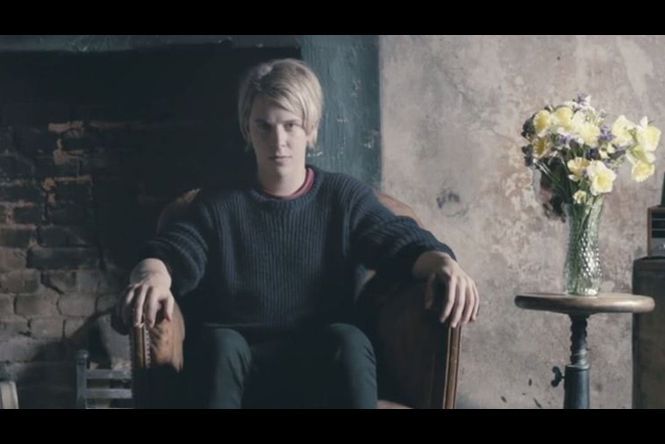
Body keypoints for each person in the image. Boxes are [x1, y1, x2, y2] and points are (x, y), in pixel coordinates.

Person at [118, 58, 479, 409]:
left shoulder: (343, 198)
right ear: (247, 130)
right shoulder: (217, 205)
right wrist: (152, 277)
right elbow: (170, 253)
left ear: (312, 129)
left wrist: (443, 263)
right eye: (264, 126)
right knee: (221, 344)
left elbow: (403, 244)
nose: (278, 141)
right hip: (238, 365)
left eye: (290, 125)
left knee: (349, 339)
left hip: (319, 364)